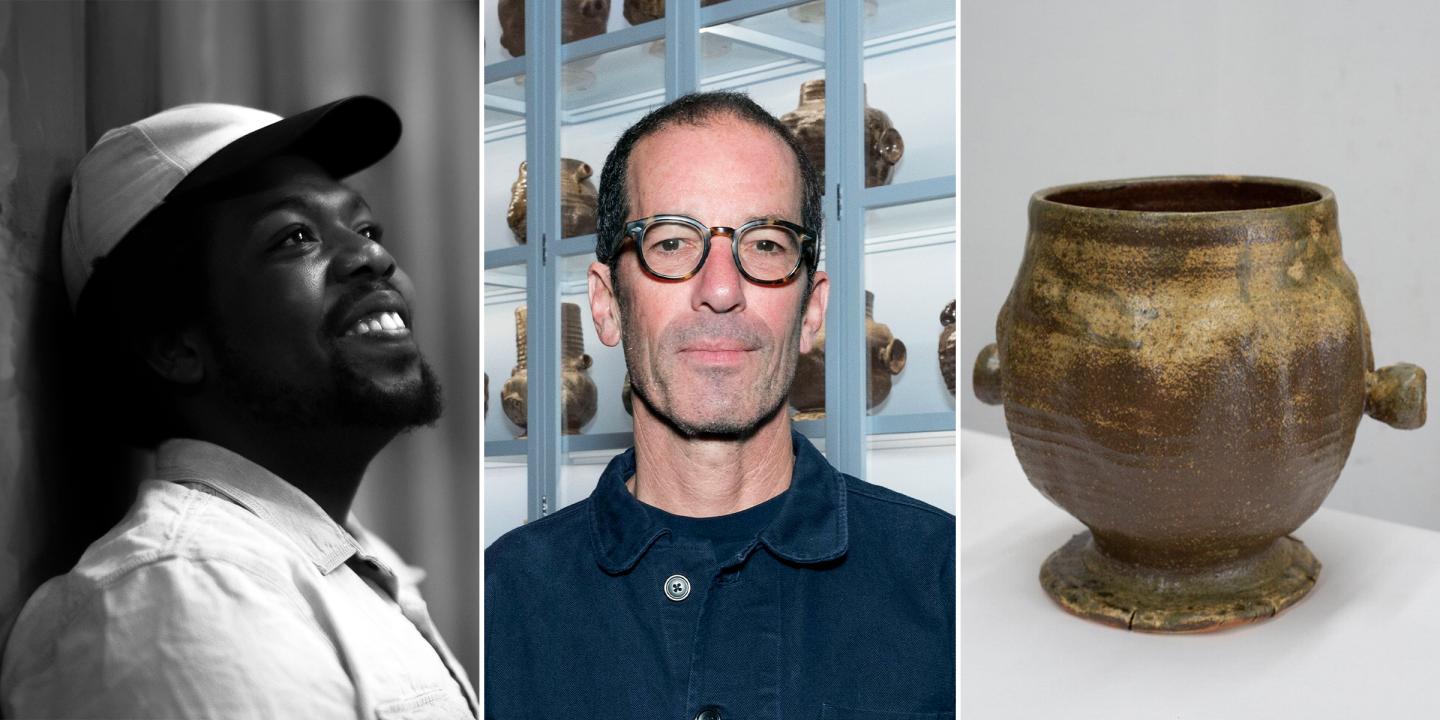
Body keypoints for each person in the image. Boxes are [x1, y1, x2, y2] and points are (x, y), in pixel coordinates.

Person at [0, 97, 476, 719]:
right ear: (172, 343)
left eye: (365, 229)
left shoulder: (326, 562)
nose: (374, 257)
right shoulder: (185, 595)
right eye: (294, 236)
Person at [485, 92, 955, 719]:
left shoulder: (941, 581)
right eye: (672, 242)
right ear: (606, 303)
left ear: (812, 309)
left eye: (765, 244)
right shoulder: (497, 602)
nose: (722, 290)